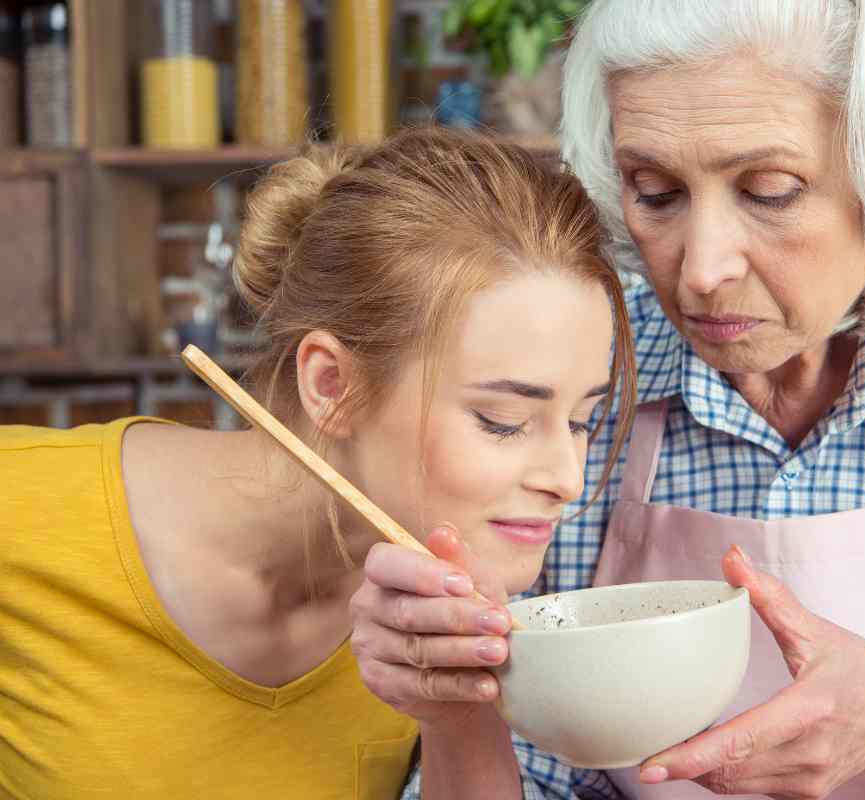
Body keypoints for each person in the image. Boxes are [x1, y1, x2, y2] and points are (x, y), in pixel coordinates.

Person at [352, 2, 865, 799]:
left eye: (768, 191)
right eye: (655, 192)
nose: (700, 267)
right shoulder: (589, 374)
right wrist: (454, 699)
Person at [0, 127, 635, 800]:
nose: (567, 478)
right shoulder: (21, 513)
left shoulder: (454, 602)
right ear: (332, 385)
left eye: (581, 421)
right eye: (502, 422)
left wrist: (461, 710)